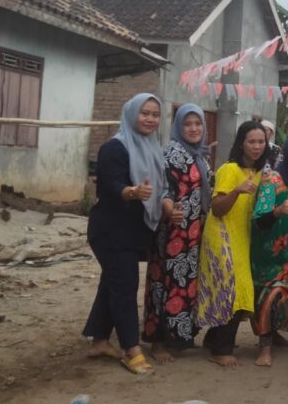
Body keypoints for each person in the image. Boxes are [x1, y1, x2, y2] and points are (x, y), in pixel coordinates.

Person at [84, 93, 165, 375]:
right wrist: (132, 191)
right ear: (131, 114)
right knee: (125, 286)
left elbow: (161, 185)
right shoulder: (114, 148)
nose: (150, 119)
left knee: (113, 282)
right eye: (145, 113)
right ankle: (131, 350)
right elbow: (110, 185)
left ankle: (99, 341)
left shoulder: (152, 148)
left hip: (132, 232)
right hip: (110, 231)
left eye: (155, 114)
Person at [143, 103, 210, 363]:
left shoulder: (199, 154)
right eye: (187, 124)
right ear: (178, 127)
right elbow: (164, 189)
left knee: (183, 285)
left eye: (198, 123)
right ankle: (157, 342)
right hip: (171, 232)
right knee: (164, 284)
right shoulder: (171, 153)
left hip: (192, 235)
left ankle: (177, 336)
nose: (193, 129)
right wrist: (170, 211)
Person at [196, 121, 266, 367]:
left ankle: (213, 339)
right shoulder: (229, 169)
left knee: (238, 289)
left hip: (242, 238)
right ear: (241, 144)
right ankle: (220, 349)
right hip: (222, 235)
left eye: (261, 142)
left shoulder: (259, 172)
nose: (256, 146)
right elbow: (217, 208)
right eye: (251, 141)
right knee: (231, 290)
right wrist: (236, 191)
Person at [250, 133, 288, 366]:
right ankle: (264, 348)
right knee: (267, 296)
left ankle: (274, 334)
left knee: (286, 296)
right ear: (286, 153)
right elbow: (259, 219)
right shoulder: (271, 180)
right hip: (267, 252)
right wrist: (276, 212)